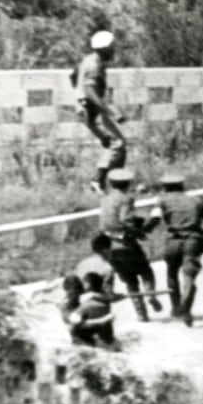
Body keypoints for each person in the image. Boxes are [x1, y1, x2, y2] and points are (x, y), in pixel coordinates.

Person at [149, 173, 203, 326]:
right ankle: (186, 309)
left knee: (172, 273)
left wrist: (143, 230)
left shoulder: (161, 201)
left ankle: (176, 307)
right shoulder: (196, 200)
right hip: (193, 240)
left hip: (173, 241)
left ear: (165, 187)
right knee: (189, 276)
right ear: (182, 186)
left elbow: (154, 219)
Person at [98, 168, 162, 322]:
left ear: (111, 183)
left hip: (111, 246)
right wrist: (141, 231)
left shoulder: (105, 199)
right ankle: (150, 294)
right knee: (146, 272)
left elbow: (106, 222)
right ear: (127, 184)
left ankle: (141, 314)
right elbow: (126, 221)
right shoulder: (126, 199)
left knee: (130, 281)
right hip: (126, 243)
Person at [72, 30, 128, 194]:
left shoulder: (88, 60)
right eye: (111, 48)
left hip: (88, 108)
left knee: (110, 145)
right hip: (93, 110)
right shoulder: (95, 64)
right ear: (104, 48)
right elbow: (90, 90)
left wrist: (78, 99)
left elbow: (74, 77)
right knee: (117, 144)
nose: (113, 50)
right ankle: (99, 181)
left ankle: (113, 183)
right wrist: (110, 111)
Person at [65, 272, 119, 348]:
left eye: (82, 284)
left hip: (86, 344)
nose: (81, 287)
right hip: (108, 340)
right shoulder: (105, 303)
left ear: (88, 285)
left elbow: (73, 323)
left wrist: (102, 320)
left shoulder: (86, 306)